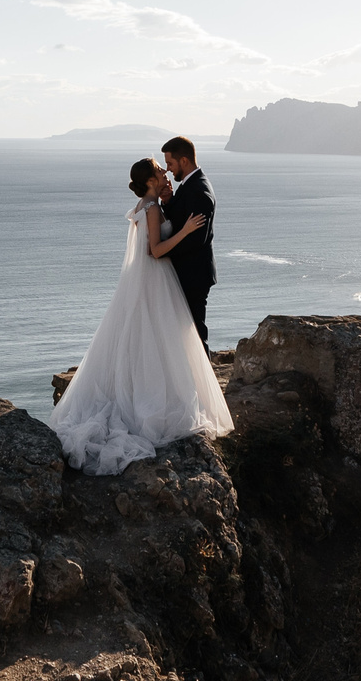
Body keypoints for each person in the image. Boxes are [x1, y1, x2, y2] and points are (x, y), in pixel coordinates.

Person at [46, 158, 234, 476]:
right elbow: (156, 250)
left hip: (147, 281)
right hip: (156, 279)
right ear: (149, 180)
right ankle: (149, 403)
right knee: (160, 338)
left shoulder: (146, 204)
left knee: (144, 339)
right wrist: (186, 229)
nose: (165, 172)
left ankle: (139, 392)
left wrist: (167, 201)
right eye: (160, 170)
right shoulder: (151, 209)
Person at [158, 136, 216, 346]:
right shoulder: (189, 185)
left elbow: (195, 239)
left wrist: (161, 251)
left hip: (194, 275)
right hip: (188, 272)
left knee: (195, 334)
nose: (168, 169)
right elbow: (182, 217)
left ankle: (203, 377)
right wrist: (168, 202)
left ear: (183, 161)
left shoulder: (199, 191)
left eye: (170, 163)